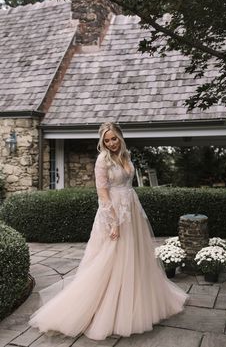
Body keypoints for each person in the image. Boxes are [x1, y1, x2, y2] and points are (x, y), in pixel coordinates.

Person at [29, 122, 188, 340]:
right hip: (112, 214)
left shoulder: (126, 155)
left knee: (134, 258)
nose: (111, 143)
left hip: (131, 210)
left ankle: (135, 302)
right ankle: (103, 308)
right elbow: (102, 193)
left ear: (120, 137)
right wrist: (113, 221)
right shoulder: (102, 160)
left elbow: (128, 185)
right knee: (109, 259)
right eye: (107, 140)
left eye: (114, 138)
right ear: (102, 142)